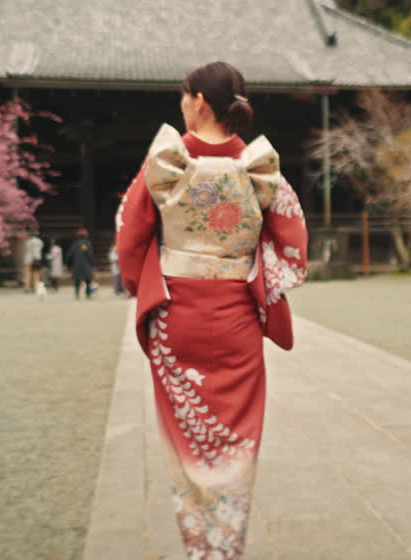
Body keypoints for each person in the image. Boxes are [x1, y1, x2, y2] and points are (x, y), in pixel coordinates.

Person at [115, 61, 308, 559]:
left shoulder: (165, 162)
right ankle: (227, 545)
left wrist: (148, 286)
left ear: (198, 101)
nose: (181, 105)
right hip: (237, 321)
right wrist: (256, 276)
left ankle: (198, 546)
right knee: (237, 437)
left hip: (177, 318)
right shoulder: (261, 168)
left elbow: (129, 238)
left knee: (186, 437)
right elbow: (292, 245)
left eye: (184, 96)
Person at [65, 229, 96, 299]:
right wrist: (93, 263)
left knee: (77, 281)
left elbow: (70, 255)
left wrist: (68, 265)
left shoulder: (75, 244)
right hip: (86, 265)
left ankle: (77, 294)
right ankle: (88, 294)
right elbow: (90, 255)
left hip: (76, 265)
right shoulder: (87, 244)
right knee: (88, 281)